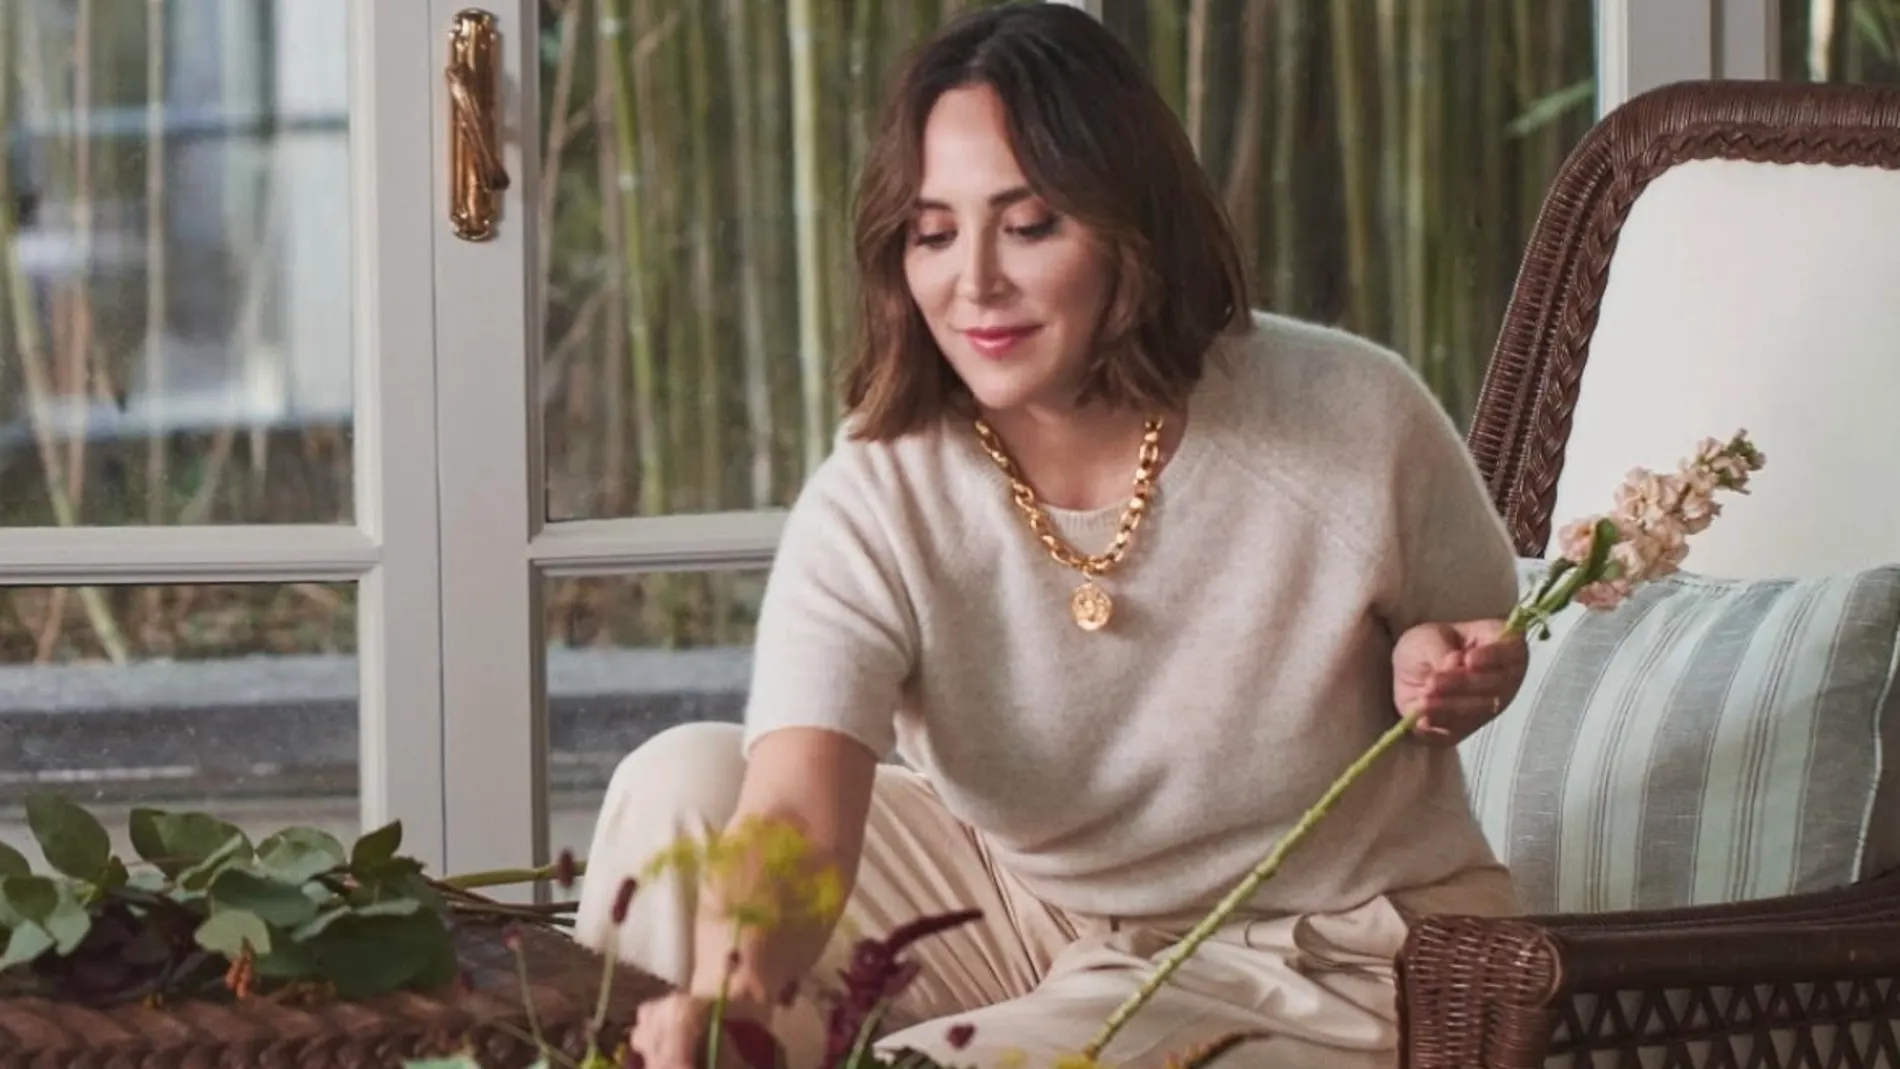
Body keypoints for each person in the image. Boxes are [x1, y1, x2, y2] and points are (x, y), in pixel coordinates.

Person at [573, 4, 1528, 1067]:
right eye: (934, 233)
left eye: (1028, 226)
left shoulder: (1349, 415)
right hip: (1024, 903)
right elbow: (798, 804)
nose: (972, 282)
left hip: (1318, 947)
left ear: (1135, 227)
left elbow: (1475, 630)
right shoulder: (882, 489)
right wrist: (725, 990)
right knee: (681, 789)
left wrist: (1440, 664)